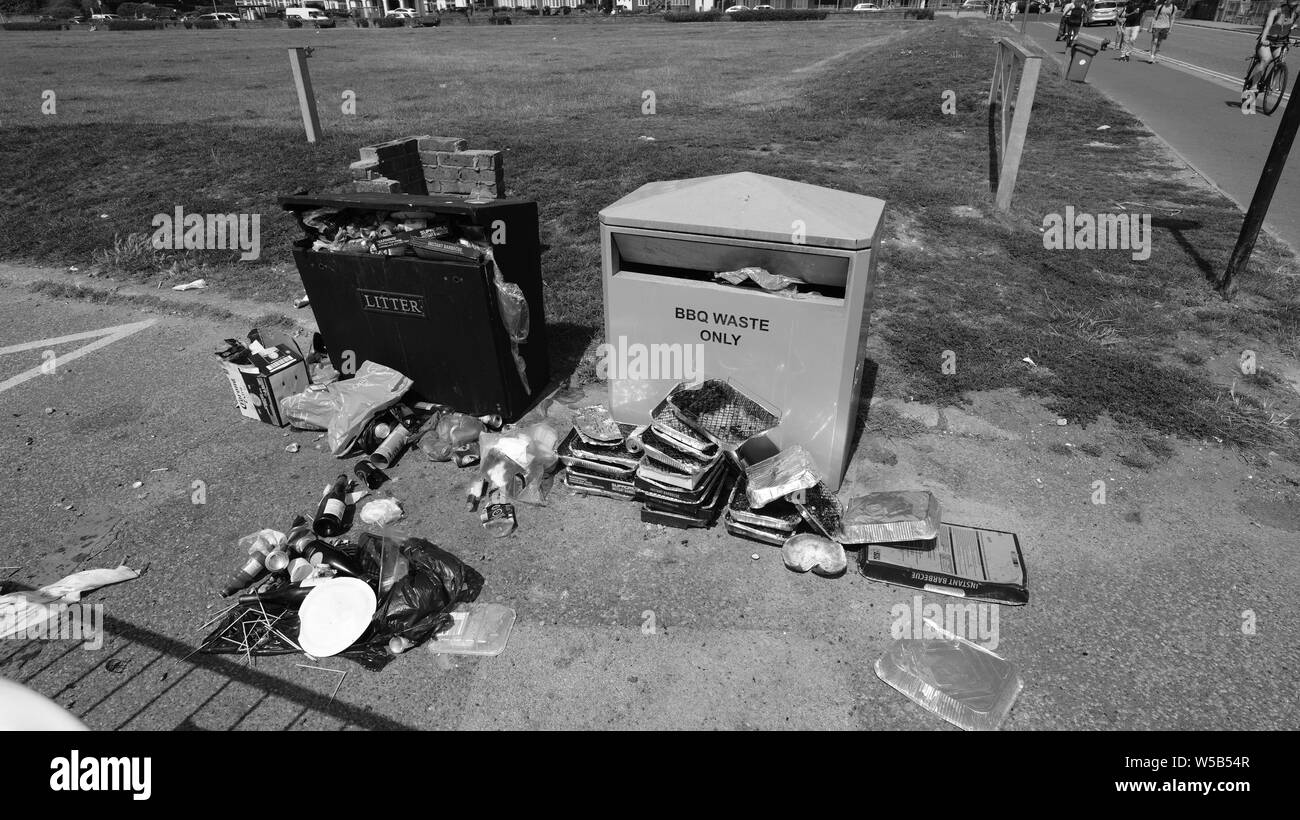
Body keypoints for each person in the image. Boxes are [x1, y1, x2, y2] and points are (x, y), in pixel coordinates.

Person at [1247, 0, 1298, 89]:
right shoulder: (1275, 12)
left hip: (1281, 42)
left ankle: (1271, 81)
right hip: (1267, 40)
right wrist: (1263, 39)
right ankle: (1253, 87)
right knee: (1266, 59)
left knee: (1281, 60)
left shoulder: (1296, 14)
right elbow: (1267, 26)